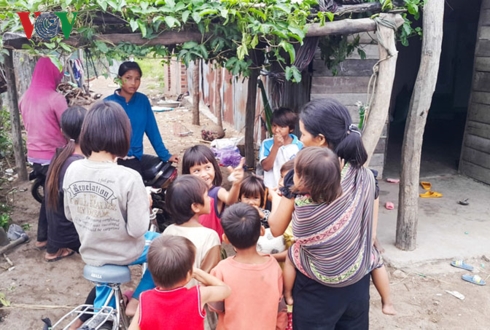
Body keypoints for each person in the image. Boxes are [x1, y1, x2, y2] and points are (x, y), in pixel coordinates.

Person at [268, 98, 395, 329]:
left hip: (316, 291)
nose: (301, 140)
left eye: (304, 134)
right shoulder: (363, 174)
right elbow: (372, 216)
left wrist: (282, 194)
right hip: (357, 280)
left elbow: (276, 228)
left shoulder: (298, 181)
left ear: (320, 140)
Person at [62, 101, 159, 318]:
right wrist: (144, 202)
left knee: (105, 299)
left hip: (91, 251)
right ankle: (137, 300)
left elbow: (70, 214)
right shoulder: (129, 177)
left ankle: (102, 316)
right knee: (163, 245)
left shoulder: (73, 168)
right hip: (123, 252)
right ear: (123, 135)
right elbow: (137, 230)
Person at [127, 175, 222, 326]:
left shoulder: (169, 231)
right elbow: (211, 275)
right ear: (195, 206)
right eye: (206, 195)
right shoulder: (210, 237)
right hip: (195, 307)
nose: (210, 199)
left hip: (166, 307)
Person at [210, 203, 287, 330]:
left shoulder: (221, 270)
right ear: (262, 231)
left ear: (225, 239)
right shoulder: (273, 266)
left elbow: (215, 307)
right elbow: (280, 308)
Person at [128, 235, 231, 330]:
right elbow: (225, 289)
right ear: (188, 275)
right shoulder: (197, 296)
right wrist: (196, 272)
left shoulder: (145, 300)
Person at [18, 56, 67, 250]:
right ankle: (50, 243)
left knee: (49, 197)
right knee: (55, 200)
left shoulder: (24, 98)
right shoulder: (55, 99)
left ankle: (43, 237)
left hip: (34, 156)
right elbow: (68, 127)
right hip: (53, 156)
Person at [104, 61, 178, 175]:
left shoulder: (142, 101)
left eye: (137, 79)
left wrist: (165, 155)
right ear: (119, 79)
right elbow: (100, 135)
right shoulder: (108, 103)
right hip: (111, 160)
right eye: (128, 78)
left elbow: (152, 130)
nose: (133, 83)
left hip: (134, 159)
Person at [44, 106, 87, 262]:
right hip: (69, 234)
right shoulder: (78, 165)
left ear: (62, 131)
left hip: (56, 230)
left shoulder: (60, 155)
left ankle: (56, 249)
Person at [182, 145, 245, 239]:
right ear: (188, 173)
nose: (204, 174)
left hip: (212, 247)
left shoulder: (217, 192)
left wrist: (236, 184)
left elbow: (230, 199)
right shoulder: (187, 194)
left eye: (207, 167)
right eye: (197, 170)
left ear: (214, 168)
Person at [238, 175, 285, 255]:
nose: (251, 202)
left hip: (263, 250)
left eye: (256, 198)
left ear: (262, 199)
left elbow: (273, 224)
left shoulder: (264, 213)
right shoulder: (238, 214)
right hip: (244, 250)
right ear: (240, 198)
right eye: (247, 197)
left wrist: (262, 216)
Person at [259, 108, 303, 189]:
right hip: (271, 188)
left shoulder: (299, 145)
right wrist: (276, 146)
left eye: (282, 127)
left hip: (291, 188)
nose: (277, 130)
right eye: (274, 125)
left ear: (291, 128)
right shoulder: (267, 143)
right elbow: (266, 167)